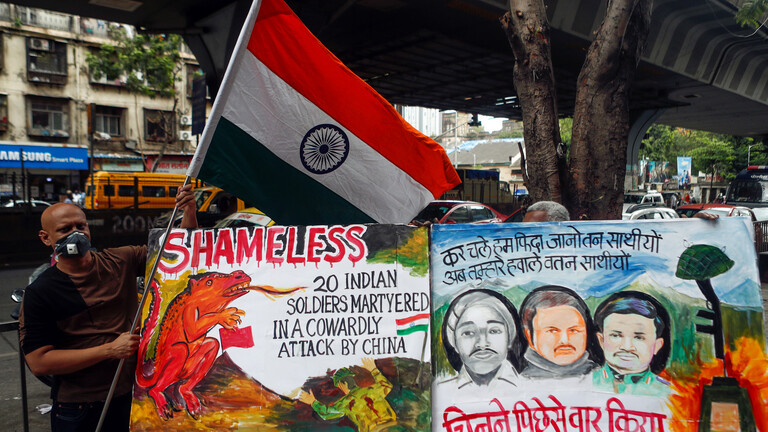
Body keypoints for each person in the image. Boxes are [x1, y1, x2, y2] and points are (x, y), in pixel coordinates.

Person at [19, 183, 197, 432]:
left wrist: (189, 212)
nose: (76, 234)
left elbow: (179, 252)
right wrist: (110, 350)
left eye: (81, 226)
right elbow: (40, 362)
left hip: (130, 397)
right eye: (65, 229)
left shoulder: (120, 260)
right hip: (78, 409)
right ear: (45, 237)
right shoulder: (41, 292)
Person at [438, 289, 522, 391]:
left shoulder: (532, 386)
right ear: (454, 342)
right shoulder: (442, 390)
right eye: (468, 333)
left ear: (509, 337)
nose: (482, 344)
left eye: (494, 331)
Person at [592, 292, 671, 396]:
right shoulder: (582, 384)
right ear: (601, 340)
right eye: (616, 335)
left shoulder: (669, 395)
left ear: (657, 345)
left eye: (639, 337)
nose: (627, 347)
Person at [519, 286, 601, 379]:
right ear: (529, 336)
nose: (565, 340)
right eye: (552, 331)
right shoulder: (518, 380)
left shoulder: (601, 376)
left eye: (573, 330)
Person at [298, 357, 397, 432]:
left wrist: (313, 402)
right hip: (392, 425)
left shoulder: (345, 403)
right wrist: (373, 369)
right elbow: (386, 385)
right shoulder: (371, 390)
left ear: (342, 386)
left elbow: (327, 413)